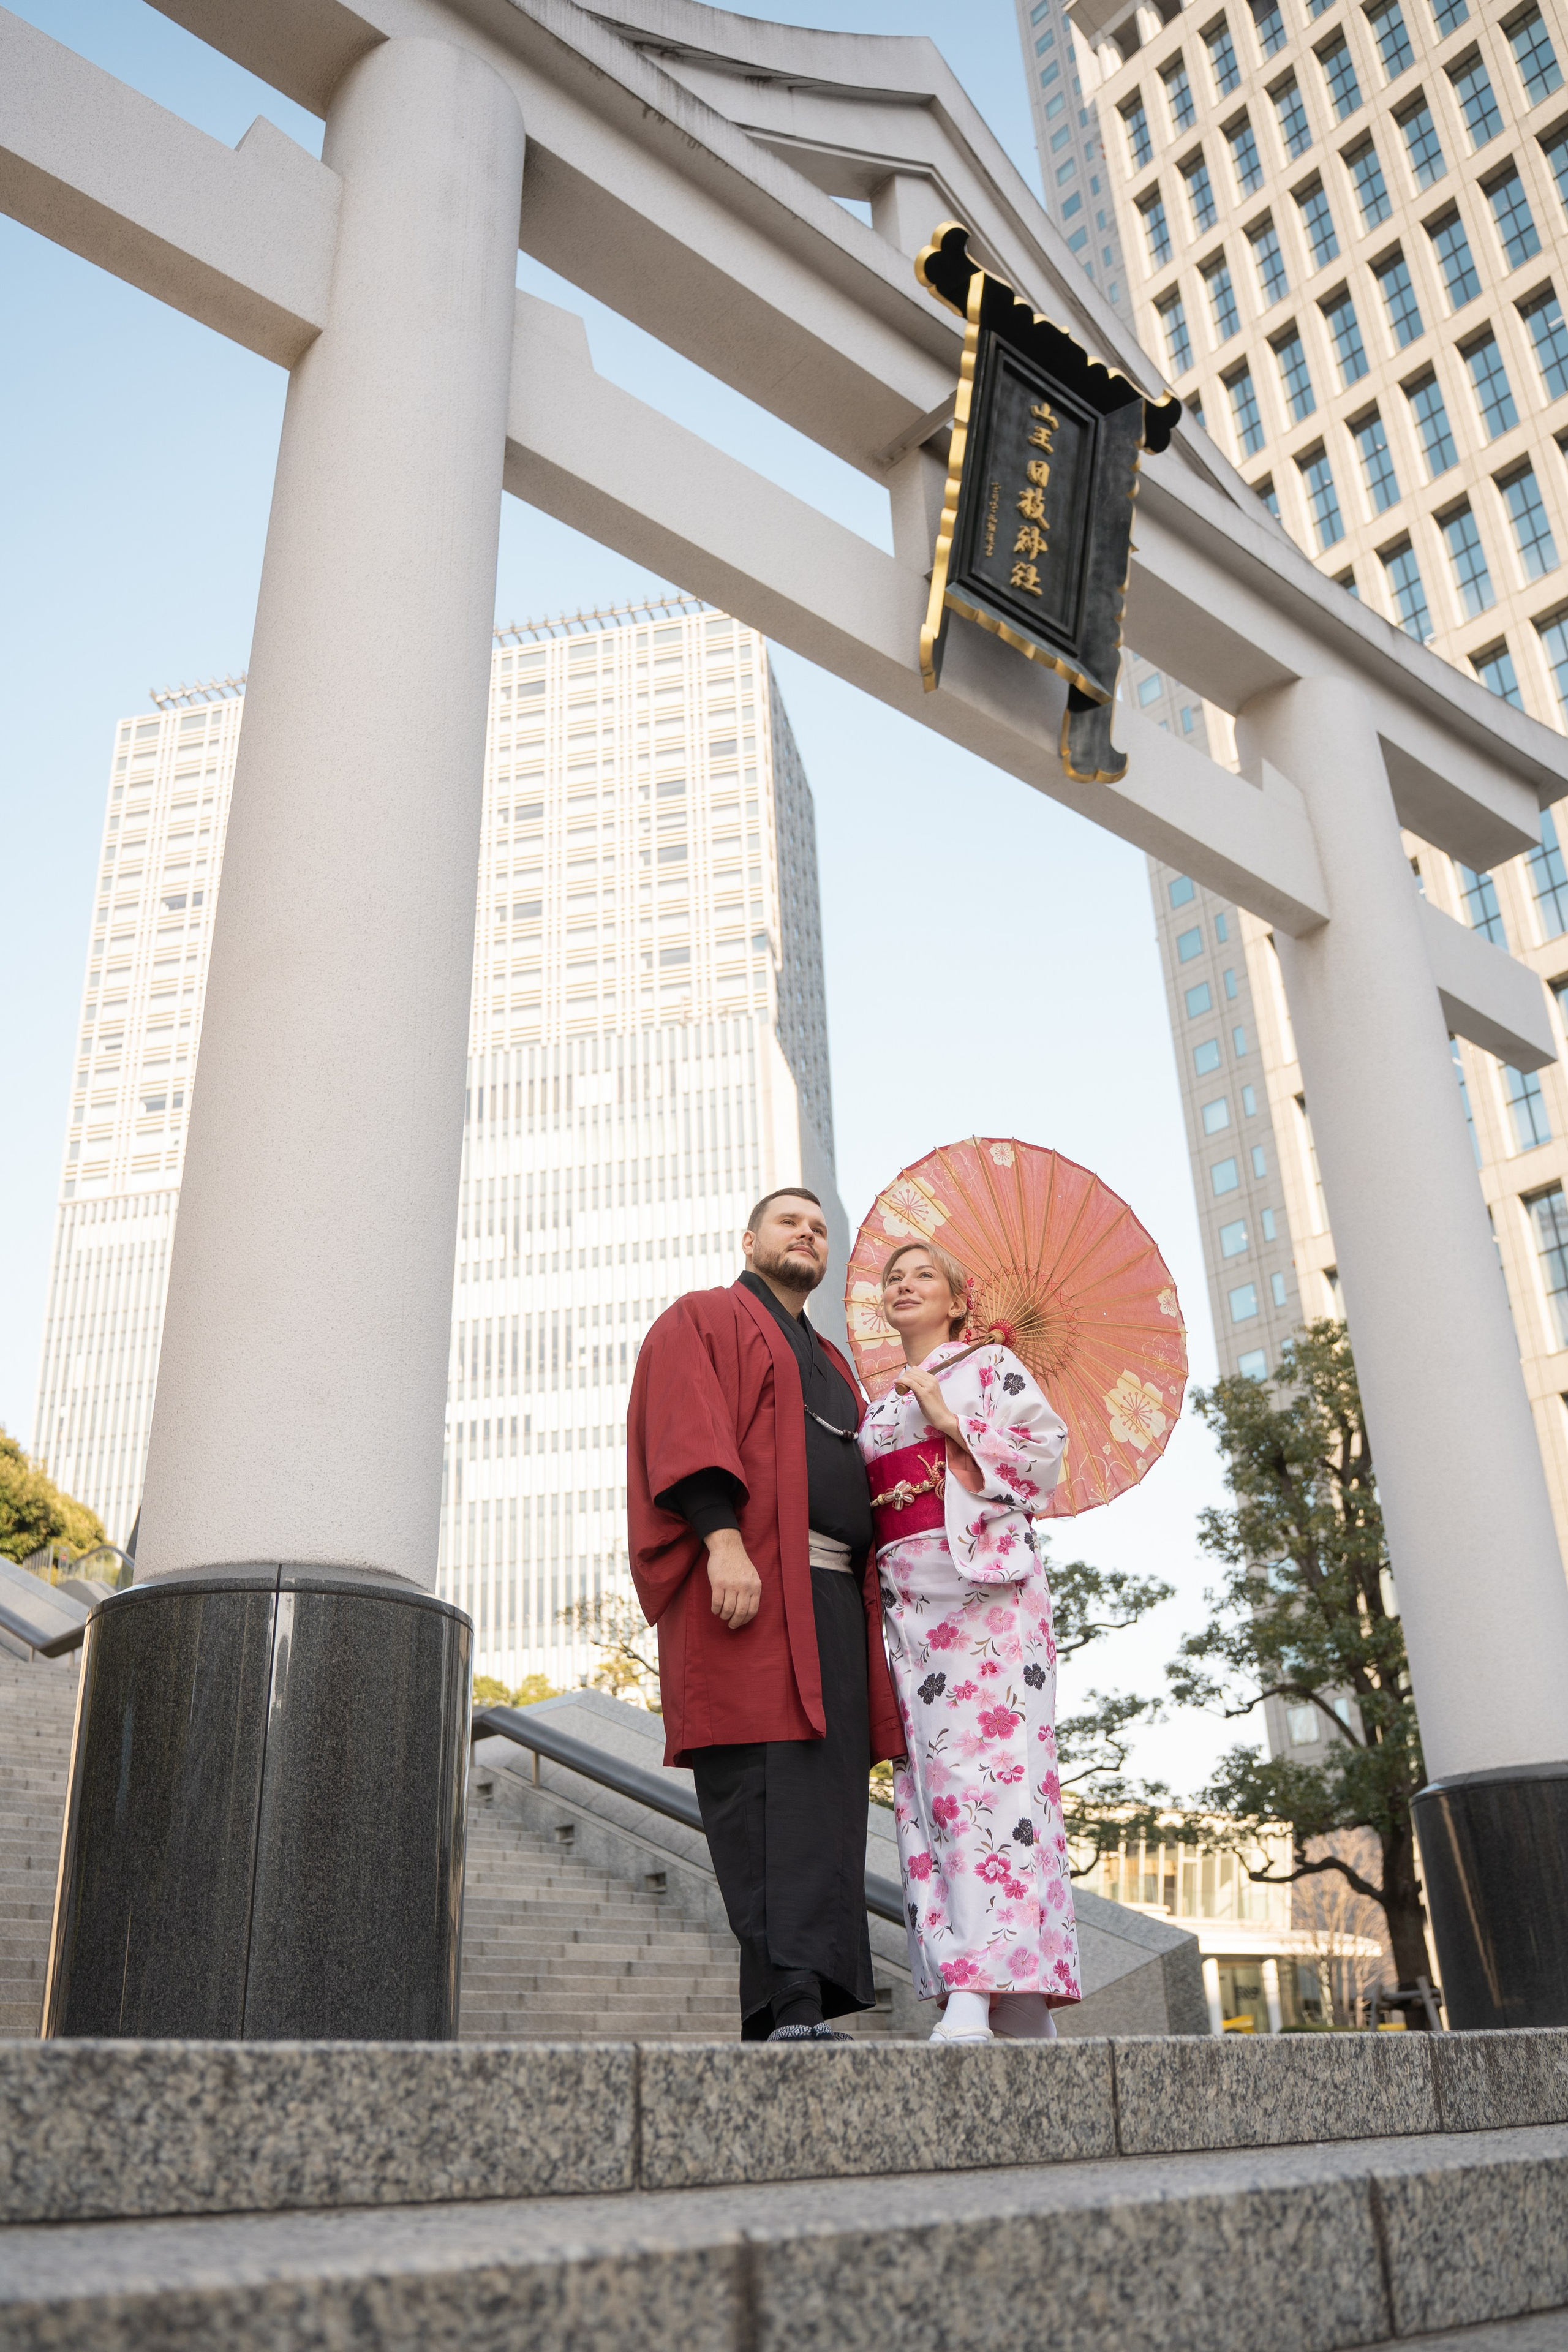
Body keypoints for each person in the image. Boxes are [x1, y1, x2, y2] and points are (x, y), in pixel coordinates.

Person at [627, 1189, 903, 2041]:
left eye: (819, 1228)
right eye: (790, 1222)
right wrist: (722, 1541)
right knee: (765, 1792)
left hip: (833, 1601)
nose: (807, 1235)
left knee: (826, 1803)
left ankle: (802, 2009)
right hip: (748, 1588)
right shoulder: (704, 1318)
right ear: (750, 1241)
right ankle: (789, 2006)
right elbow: (684, 1429)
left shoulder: (834, 1362)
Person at [858, 1238, 1082, 2043]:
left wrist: (952, 1421)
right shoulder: (879, 1404)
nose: (904, 1284)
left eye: (924, 1275)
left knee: (999, 1780)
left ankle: (983, 1985)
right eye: (894, 1277)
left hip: (985, 1596)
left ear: (958, 1302)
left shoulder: (990, 1367)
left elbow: (1046, 1455)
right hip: (908, 1603)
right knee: (930, 1786)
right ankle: (1010, 1994)